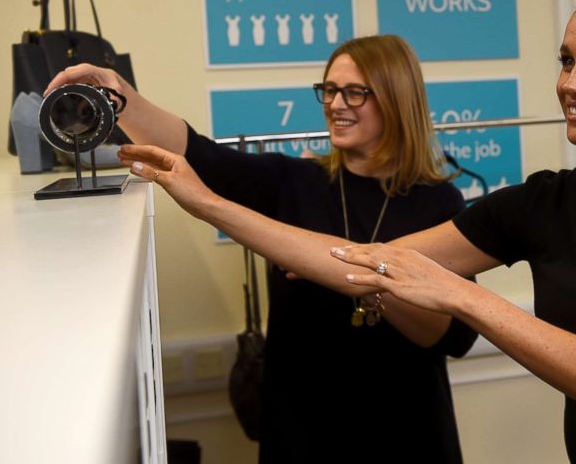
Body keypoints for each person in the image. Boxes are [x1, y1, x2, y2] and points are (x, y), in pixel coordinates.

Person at [117, 0, 576, 462]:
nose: (572, 82)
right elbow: (361, 261)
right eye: (566, 60)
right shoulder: (542, 203)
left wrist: (458, 294)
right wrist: (206, 201)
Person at [45, 35, 477, 463]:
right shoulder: (294, 182)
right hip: (302, 429)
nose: (335, 104)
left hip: (404, 430)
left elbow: (455, 336)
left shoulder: (439, 204)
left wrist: (348, 275)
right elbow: (194, 151)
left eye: (354, 92)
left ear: (397, 99)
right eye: (328, 90)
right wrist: (122, 97)